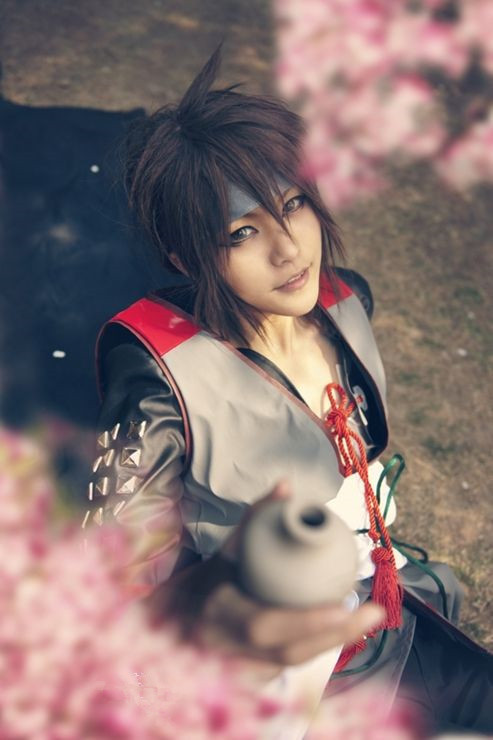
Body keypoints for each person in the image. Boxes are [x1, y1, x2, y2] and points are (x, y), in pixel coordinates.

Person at [83, 46, 493, 734]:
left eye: (292, 204)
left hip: (387, 613)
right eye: (242, 232)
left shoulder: (343, 302)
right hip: (282, 674)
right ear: (187, 258)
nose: (288, 249)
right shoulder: (162, 376)